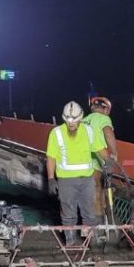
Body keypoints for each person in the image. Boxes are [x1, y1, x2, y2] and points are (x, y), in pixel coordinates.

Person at [45, 101, 108, 246]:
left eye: (74, 120)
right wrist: (50, 179)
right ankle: (70, 242)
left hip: (87, 179)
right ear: (64, 118)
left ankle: (89, 242)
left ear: (80, 118)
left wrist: (108, 161)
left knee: (89, 213)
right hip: (66, 180)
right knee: (68, 213)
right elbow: (51, 157)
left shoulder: (88, 131)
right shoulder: (56, 133)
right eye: (68, 120)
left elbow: (99, 148)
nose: (71, 123)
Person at [84, 96, 118, 218]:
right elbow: (108, 134)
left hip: (80, 160)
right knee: (96, 188)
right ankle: (97, 221)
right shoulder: (103, 118)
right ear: (106, 109)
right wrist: (114, 154)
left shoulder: (84, 119)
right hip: (95, 160)